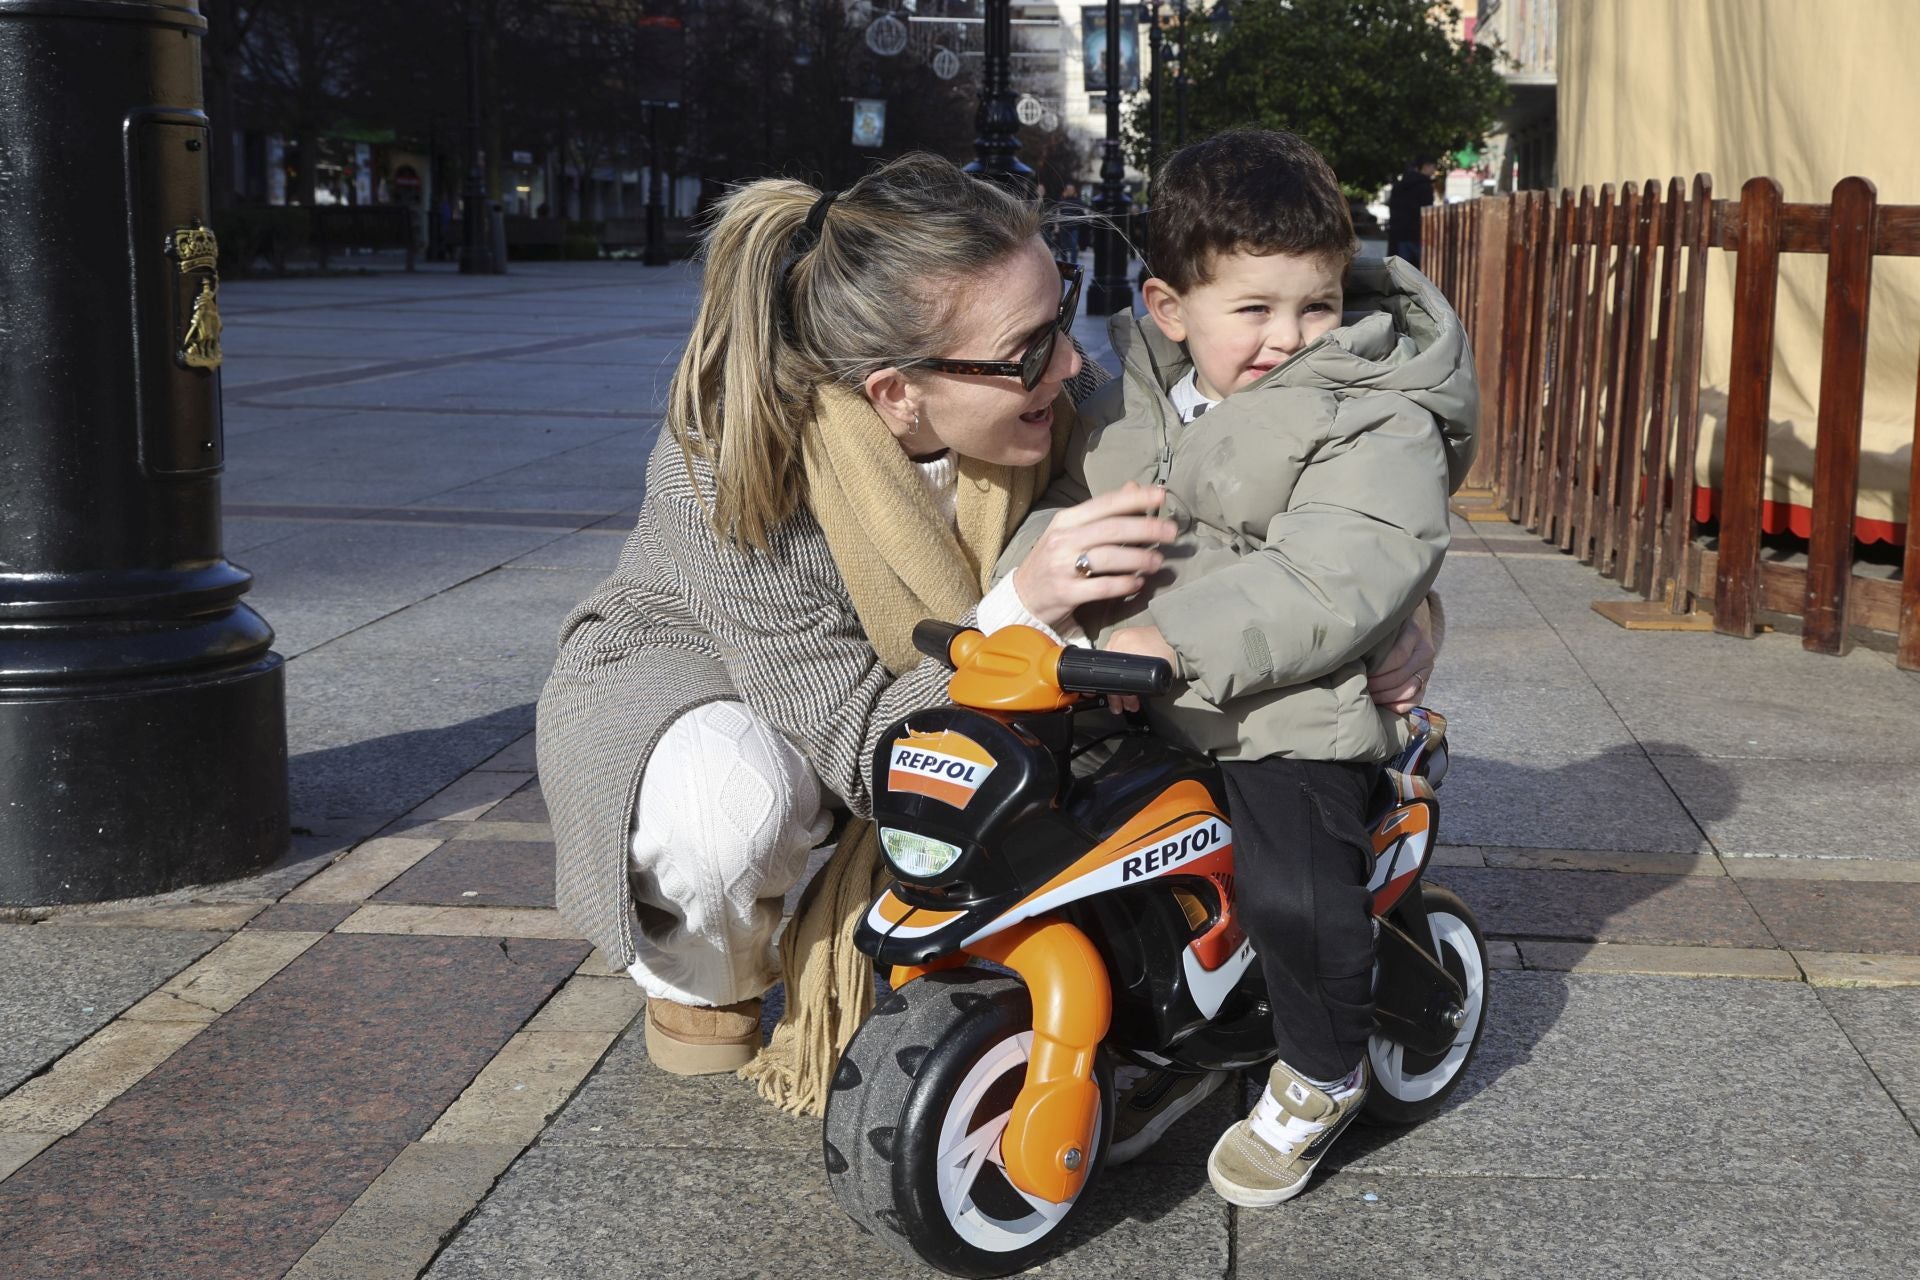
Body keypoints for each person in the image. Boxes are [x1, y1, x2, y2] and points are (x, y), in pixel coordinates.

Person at [536, 152, 1439, 1119]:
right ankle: (704, 977)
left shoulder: (1040, 382)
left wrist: (1399, 616)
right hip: (716, 687)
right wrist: (1024, 606)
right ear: (897, 396)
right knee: (729, 807)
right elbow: (851, 744)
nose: (1072, 364)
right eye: (1027, 355)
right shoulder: (733, 469)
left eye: (1065, 313)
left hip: (938, 680)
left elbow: (1284, 508)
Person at [998, 129, 1475, 1208]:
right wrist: (1015, 599)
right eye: (1253, 311)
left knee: (1294, 887)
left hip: (1285, 710)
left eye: (1314, 305)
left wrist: (1178, 642)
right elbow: (1058, 515)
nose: (1290, 337)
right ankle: (1138, 1015)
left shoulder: (1374, 412)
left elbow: (1336, 570)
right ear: (1172, 308)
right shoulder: (1133, 400)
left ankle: (1321, 1070)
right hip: (1129, 692)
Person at [1386, 153, 1439, 266]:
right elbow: (1426, 211)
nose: (1434, 171)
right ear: (1426, 166)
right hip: (1418, 234)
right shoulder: (1425, 186)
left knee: (1401, 273)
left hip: (1399, 234)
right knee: (1419, 274)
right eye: (1433, 167)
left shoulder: (1400, 185)